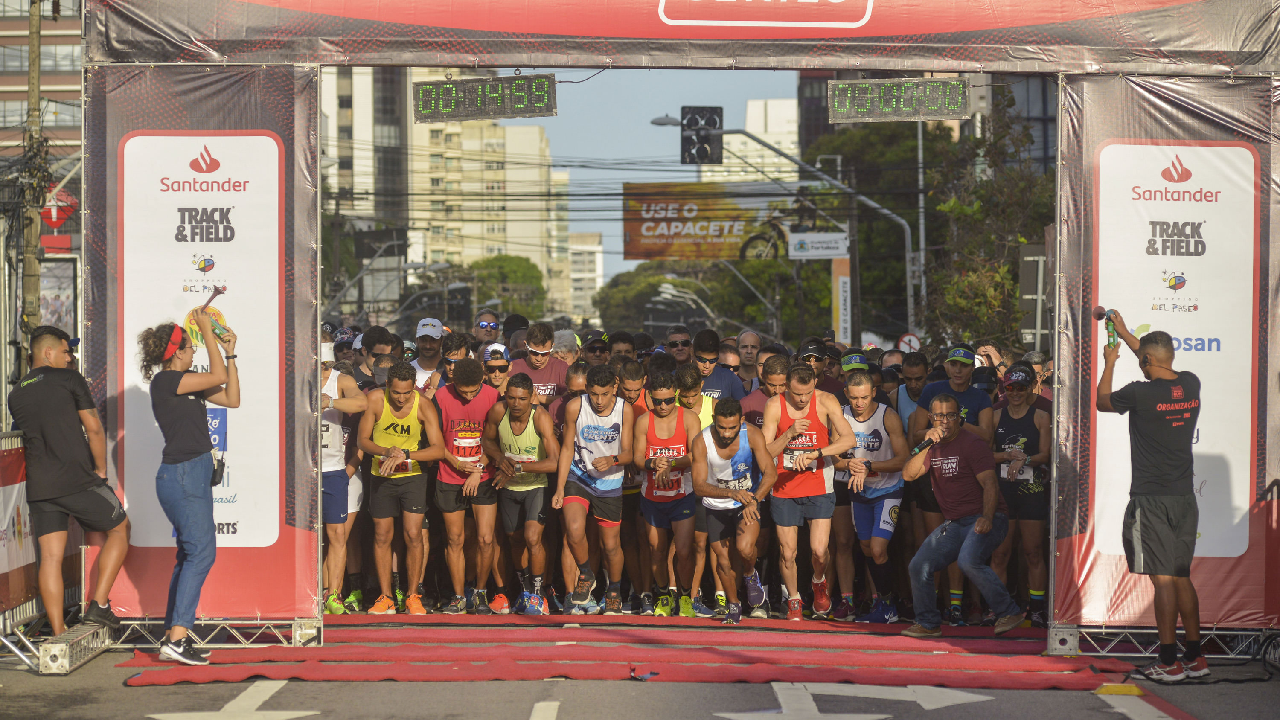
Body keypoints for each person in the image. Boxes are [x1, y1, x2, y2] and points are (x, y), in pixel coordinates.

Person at [1097, 316, 1207, 682]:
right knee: (1180, 577)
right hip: (1183, 499)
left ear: (1144, 361)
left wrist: (1110, 362)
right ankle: (1195, 657)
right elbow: (1151, 360)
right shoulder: (1191, 383)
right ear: (1171, 356)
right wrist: (1127, 334)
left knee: (1162, 581)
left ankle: (1168, 661)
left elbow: (1101, 402)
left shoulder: (1138, 394)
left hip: (1151, 500)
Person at [10, 326, 129, 636]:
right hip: (77, 479)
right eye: (66, 351)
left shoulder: (17, 392)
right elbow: (94, 429)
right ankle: (99, 606)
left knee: (50, 557)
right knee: (121, 528)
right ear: (47, 352)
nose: (70, 357)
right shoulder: (69, 379)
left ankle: (60, 633)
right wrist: (101, 471)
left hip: (40, 487)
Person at [138, 309, 239, 665]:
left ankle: (172, 636)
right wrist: (210, 334)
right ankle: (177, 638)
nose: (195, 350)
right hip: (182, 474)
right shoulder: (167, 381)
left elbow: (231, 397)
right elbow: (219, 376)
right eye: (191, 345)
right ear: (176, 351)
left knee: (189, 555)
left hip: (188, 473)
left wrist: (230, 353)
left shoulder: (185, 381)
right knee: (201, 554)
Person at [900, 394, 1024, 638]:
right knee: (918, 565)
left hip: (988, 516)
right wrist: (925, 444)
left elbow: (990, 484)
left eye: (950, 416)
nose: (945, 422)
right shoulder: (931, 446)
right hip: (955, 523)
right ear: (930, 419)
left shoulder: (972, 444)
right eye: (939, 416)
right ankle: (928, 623)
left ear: (959, 418)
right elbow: (908, 474)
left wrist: (987, 517)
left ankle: (1009, 611)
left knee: (968, 561)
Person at [907, 344, 994, 626]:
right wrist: (937, 429)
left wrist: (956, 423)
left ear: (973, 369)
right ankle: (933, 607)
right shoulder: (933, 391)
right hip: (935, 474)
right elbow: (916, 434)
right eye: (954, 365)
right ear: (946, 366)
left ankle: (956, 605)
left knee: (959, 547)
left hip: (966, 479)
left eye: (964, 366)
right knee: (933, 546)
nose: (958, 370)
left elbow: (987, 437)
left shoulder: (979, 396)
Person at [761, 363, 856, 621]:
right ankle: (793, 598)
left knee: (819, 550)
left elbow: (849, 440)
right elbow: (765, 451)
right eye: (796, 394)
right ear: (788, 386)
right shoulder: (774, 405)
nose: (802, 399)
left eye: (807, 393)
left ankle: (818, 581)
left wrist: (817, 453)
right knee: (787, 552)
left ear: (815, 383)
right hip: (784, 486)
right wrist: (789, 434)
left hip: (818, 485)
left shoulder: (826, 401)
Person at [357, 361, 445, 616]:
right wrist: (386, 451)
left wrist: (406, 454)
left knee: (413, 535)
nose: (402, 398)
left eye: (407, 392)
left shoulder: (423, 405)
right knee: (382, 536)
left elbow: (438, 449)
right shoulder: (374, 400)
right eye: (396, 393)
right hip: (381, 475)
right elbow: (362, 440)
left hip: (412, 477)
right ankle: (385, 597)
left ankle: (413, 595)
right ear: (387, 386)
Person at [554, 364, 635, 615]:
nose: (599, 401)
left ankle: (614, 590)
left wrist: (613, 460)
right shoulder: (575, 407)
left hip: (610, 482)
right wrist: (559, 489)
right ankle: (586, 574)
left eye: (605, 394)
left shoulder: (625, 409)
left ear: (615, 388)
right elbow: (567, 448)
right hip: (579, 477)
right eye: (594, 394)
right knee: (574, 530)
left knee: (611, 546)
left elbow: (629, 453)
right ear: (587, 389)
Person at [692, 397, 778, 625]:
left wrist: (753, 500)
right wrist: (730, 493)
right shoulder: (701, 441)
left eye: (732, 427)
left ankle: (750, 575)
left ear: (741, 421)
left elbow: (770, 473)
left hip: (747, 502)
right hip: (716, 505)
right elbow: (699, 486)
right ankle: (734, 604)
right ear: (713, 421)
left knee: (745, 548)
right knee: (723, 561)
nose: (727, 433)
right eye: (721, 427)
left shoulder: (752, 434)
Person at [832, 371, 909, 623]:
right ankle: (879, 602)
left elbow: (902, 459)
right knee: (865, 548)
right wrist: (851, 465)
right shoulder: (840, 415)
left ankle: (888, 604)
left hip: (888, 490)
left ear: (874, 392)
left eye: (864, 397)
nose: (860, 403)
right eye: (854, 398)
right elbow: (835, 459)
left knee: (878, 549)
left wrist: (869, 466)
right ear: (846, 394)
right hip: (858, 491)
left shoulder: (888, 416)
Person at [483, 373, 560, 616]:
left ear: (531, 398)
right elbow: (487, 440)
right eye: (512, 398)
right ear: (506, 396)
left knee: (533, 538)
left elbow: (554, 463)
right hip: (508, 488)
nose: (516, 404)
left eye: (522, 399)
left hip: (535, 486)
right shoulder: (498, 412)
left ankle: (538, 596)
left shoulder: (541, 418)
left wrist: (517, 467)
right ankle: (526, 592)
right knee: (514, 539)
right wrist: (500, 458)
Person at [433, 358, 504, 614]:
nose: (470, 396)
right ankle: (458, 596)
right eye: (464, 391)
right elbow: (433, 440)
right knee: (455, 539)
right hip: (449, 475)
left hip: (484, 476)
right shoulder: (441, 397)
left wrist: (479, 469)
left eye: (474, 390)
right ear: (453, 383)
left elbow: (497, 440)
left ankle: (481, 593)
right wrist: (457, 464)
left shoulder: (494, 396)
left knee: (485, 539)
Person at [631, 371, 701, 618]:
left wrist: (672, 464)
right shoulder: (643, 421)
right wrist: (653, 464)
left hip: (682, 494)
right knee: (656, 550)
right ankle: (662, 595)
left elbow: (696, 455)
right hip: (652, 496)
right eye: (658, 401)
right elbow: (638, 458)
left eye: (669, 401)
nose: (663, 406)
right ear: (650, 398)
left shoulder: (689, 418)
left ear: (676, 396)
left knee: (683, 551)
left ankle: (684, 597)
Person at [988, 365, 1051, 629]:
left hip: (1031, 492)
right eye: (1010, 388)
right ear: (1004, 388)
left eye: (1020, 388)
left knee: (1033, 551)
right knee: (1000, 554)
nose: (1015, 393)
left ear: (1029, 389)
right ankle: (999, 608)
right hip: (1003, 492)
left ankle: (1036, 609)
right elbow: (985, 455)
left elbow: (1046, 455)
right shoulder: (995, 417)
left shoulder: (1040, 416)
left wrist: (1025, 459)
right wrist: (1006, 456)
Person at [319, 339, 369, 615]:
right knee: (306, 535)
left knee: (337, 534)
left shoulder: (340, 379)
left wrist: (330, 400)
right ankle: (310, 591)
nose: (323, 371)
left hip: (332, 468)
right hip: (302, 469)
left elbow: (361, 402)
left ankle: (334, 595)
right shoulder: (296, 378)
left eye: (326, 367)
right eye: (320, 367)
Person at [511, 323, 568, 405]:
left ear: (552, 347)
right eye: (534, 353)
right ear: (525, 345)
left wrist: (536, 397)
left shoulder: (562, 368)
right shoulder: (513, 368)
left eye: (545, 353)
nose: (539, 358)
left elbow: (567, 398)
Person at [693, 331, 746, 402]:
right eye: (702, 360)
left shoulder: (730, 378)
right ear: (692, 353)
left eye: (713, 360)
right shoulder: (678, 376)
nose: (707, 366)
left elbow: (744, 407)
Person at [352, 326, 397, 390]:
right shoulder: (350, 379)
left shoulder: (397, 378)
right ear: (364, 351)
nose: (383, 360)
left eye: (387, 356)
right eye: (378, 356)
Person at [411, 318, 445, 397]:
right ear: (417, 340)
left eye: (433, 340)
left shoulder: (449, 370)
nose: (428, 346)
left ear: (441, 341)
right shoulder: (407, 370)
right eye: (423, 340)